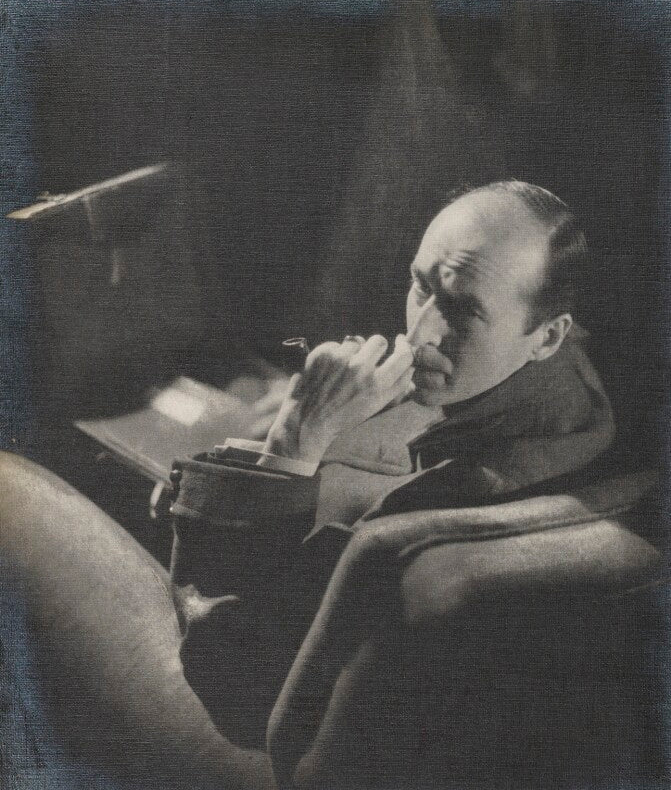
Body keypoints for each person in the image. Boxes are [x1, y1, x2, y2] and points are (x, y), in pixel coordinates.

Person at [168, 180, 617, 747]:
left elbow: (235, 677)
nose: (420, 330)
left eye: (463, 309)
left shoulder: (456, 496)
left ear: (548, 336)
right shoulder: (556, 381)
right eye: (421, 284)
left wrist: (294, 439)